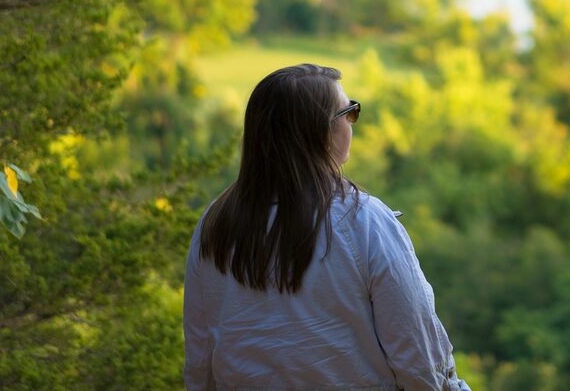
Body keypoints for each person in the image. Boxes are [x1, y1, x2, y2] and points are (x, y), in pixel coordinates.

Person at [183, 64, 471, 390]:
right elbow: (420, 363)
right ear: (320, 132)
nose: (352, 122)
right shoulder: (365, 222)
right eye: (349, 112)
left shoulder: (216, 224)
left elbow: (200, 362)